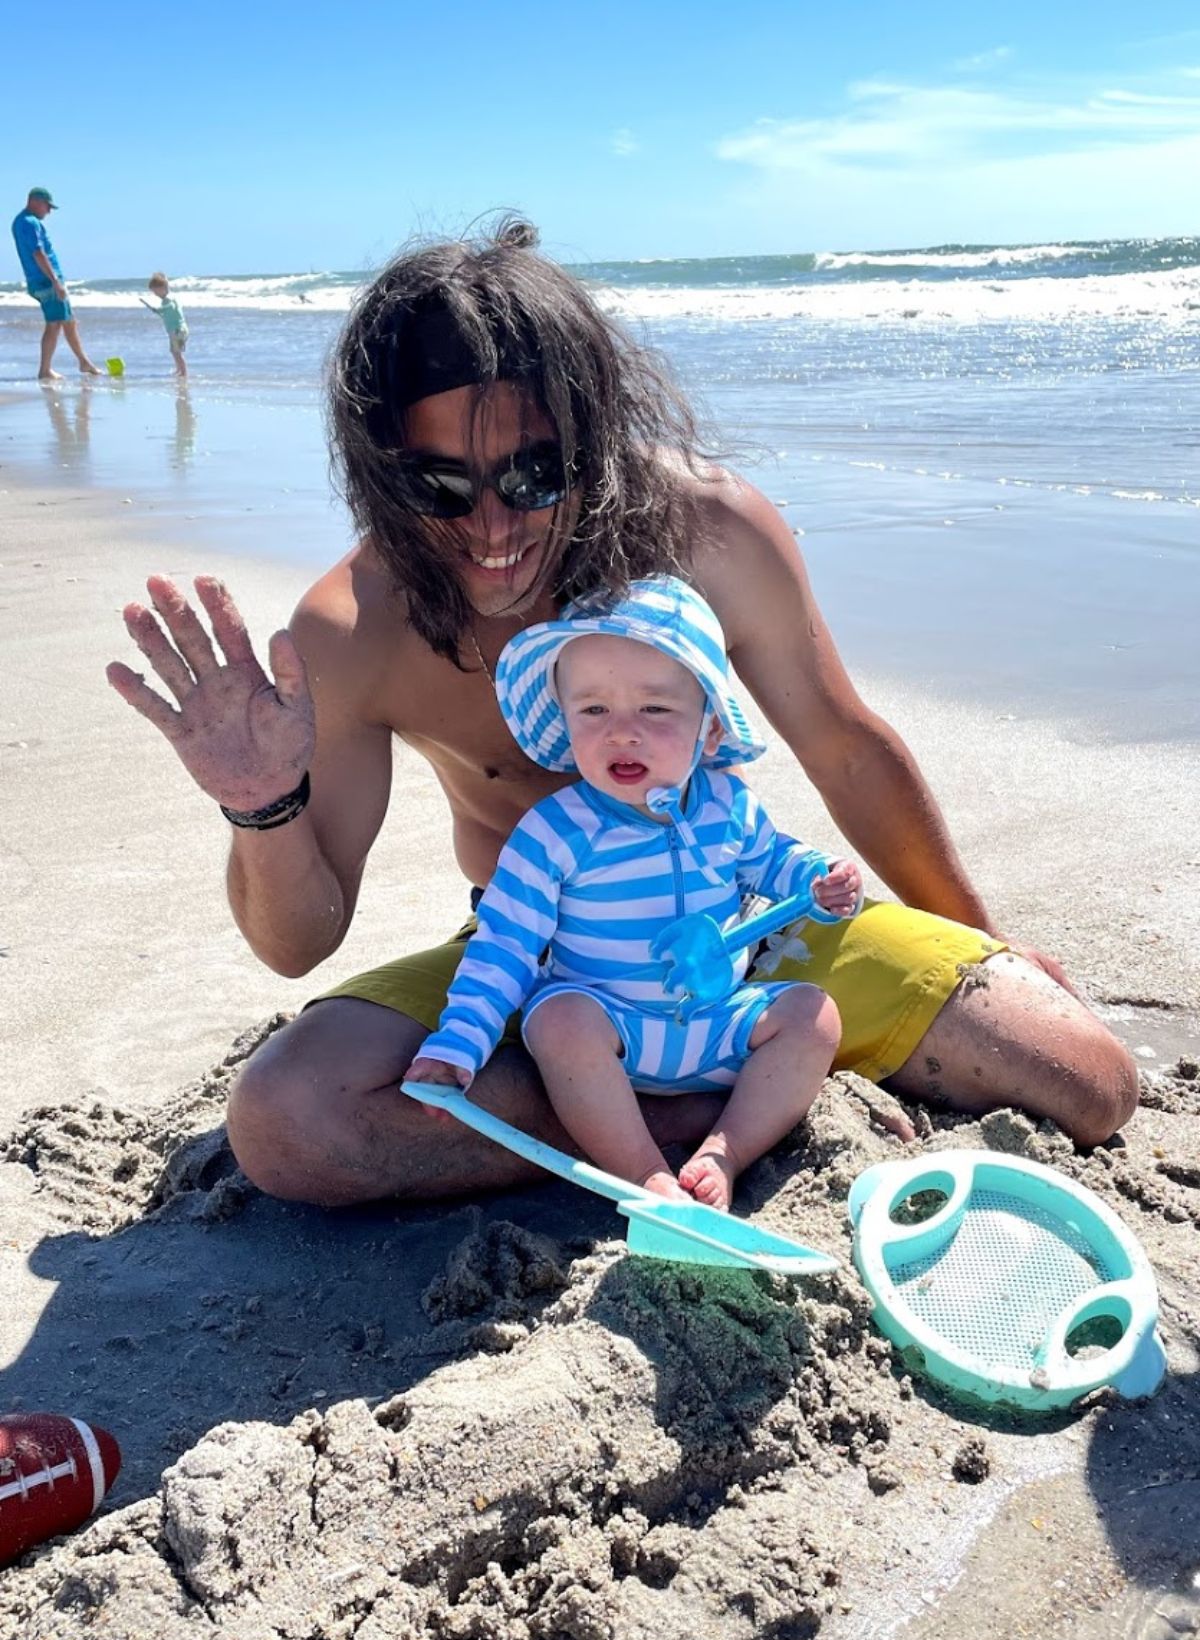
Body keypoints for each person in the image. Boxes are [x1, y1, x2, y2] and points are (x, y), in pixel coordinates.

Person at [105, 218, 1139, 1209]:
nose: (493, 528)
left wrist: (975, 940)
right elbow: (300, 942)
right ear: (384, 475)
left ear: (591, 440)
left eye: (532, 475)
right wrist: (262, 807)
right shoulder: (356, 626)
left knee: (1087, 1079)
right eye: (441, 486)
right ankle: (706, 1116)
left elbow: (845, 748)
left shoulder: (711, 532)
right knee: (290, 1121)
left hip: (747, 935)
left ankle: (713, 1092)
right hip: (545, 970)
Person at [406, 577, 863, 1211]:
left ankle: (722, 1153)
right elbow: (504, 946)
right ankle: (645, 1173)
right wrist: (459, 1043)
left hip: (717, 1023)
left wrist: (817, 879)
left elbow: (773, 862)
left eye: (655, 710)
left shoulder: (728, 805)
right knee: (557, 1019)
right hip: (613, 1028)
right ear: (566, 724)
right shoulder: (555, 832)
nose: (622, 732)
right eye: (594, 710)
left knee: (813, 1018)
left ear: (708, 732)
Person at [10, 188, 102, 381]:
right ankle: (45, 370)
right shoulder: (28, 222)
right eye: (47, 206)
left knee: (69, 321)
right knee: (53, 324)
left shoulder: (23, 221)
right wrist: (55, 282)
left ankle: (84, 362)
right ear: (34, 201)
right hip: (46, 281)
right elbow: (38, 253)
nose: (49, 212)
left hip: (44, 280)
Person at [139, 273, 189, 377]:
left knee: (177, 352)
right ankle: (179, 369)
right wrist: (159, 311)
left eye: (155, 291)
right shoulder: (168, 299)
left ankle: (184, 372)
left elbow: (169, 306)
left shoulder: (168, 299)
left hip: (177, 330)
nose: (155, 294)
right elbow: (169, 311)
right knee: (174, 351)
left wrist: (160, 309)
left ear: (163, 288)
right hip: (177, 330)